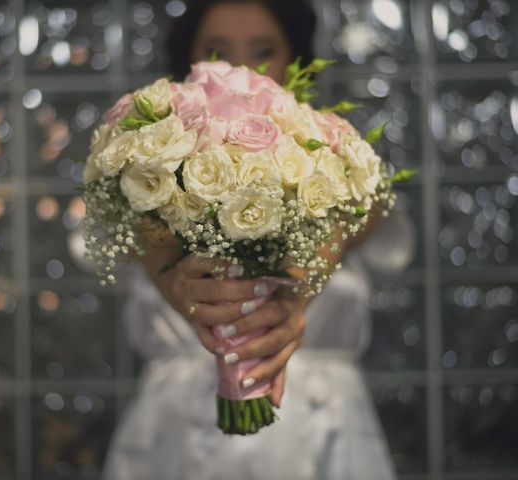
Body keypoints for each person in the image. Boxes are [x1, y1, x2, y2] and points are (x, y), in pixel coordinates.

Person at [101, 1, 414, 478]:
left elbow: (358, 220)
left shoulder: (334, 157)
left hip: (319, 436)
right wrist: (178, 284)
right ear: (189, 58)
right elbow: (142, 239)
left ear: (295, 59)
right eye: (217, 50)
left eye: (263, 51)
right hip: (178, 438)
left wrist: (292, 295)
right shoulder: (147, 162)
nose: (240, 70)